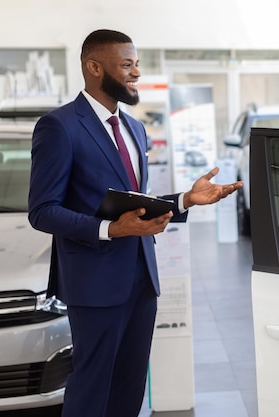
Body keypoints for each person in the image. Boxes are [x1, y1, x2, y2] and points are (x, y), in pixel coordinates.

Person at [27, 29, 242, 417]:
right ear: (94, 67)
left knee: (129, 389)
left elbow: (133, 205)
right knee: (92, 389)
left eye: (136, 64)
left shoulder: (134, 128)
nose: (136, 73)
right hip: (94, 283)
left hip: (142, 278)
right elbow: (42, 210)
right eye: (127, 64)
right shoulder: (59, 126)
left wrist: (184, 200)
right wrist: (111, 229)